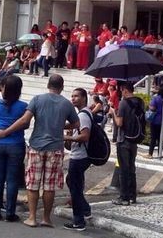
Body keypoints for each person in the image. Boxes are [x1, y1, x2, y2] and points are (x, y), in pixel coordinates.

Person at [0, 74, 79, 228]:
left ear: (48, 85)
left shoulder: (37, 99)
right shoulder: (66, 104)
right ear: (62, 87)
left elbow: (25, 120)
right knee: (49, 185)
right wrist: (60, 125)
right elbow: (76, 123)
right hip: (55, 148)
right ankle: (46, 218)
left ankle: (32, 217)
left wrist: (5, 132)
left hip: (37, 146)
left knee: (33, 183)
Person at [0, 75, 28, 222]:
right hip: (16, 144)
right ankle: (10, 212)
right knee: (12, 180)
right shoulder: (24, 106)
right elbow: (26, 124)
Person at [109, 81, 143, 206]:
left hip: (123, 139)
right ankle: (132, 196)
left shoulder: (123, 103)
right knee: (131, 168)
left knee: (124, 169)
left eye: (122, 90)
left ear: (125, 90)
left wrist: (113, 112)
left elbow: (119, 123)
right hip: (134, 139)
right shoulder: (140, 101)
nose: (121, 93)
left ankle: (124, 198)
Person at [63, 88, 92, 231]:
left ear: (84, 98)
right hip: (78, 154)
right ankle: (85, 209)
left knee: (75, 187)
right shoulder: (79, 115)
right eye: (72, 96)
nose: (73, 99)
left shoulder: (83, 116)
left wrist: (67, 137)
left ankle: (78, 221)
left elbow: (85, 136)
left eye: (76, 96)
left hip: (80, 156)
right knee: (72, 181)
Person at [145, 85, 163, 159]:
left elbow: (152, 108)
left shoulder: (156, 98)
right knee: (161, 138)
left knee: (153, 138)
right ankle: (159, 153)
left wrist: (149, 105)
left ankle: (150, 154)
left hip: (156, 120)